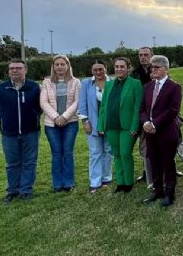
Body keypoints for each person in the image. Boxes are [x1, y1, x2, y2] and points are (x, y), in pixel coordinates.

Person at [0, 59, 42, 203]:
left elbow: (42, 106)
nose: (14, 70)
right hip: (9, 133)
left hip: (31, 131)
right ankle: (12, 191)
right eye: (11, 68)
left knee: (29, 162)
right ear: (8, 71)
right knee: (12, 163)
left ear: (25, 70)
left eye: (18, 68)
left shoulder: (36, 87)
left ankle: (26, 190)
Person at [140, 55, 182, 207]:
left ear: (166, 68)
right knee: (154, 161)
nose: (153, 69)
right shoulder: (148, 86)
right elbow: (142, 109)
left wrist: (154, 123)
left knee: (167, 163)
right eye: (152, 67)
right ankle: (157, 191)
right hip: (149, 133)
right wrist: (145, 122)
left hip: (166, 132)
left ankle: (169, 194)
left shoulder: (174, 87)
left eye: (157, 67)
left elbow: (173, 110)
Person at [97, 57, 143, 193]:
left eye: (122, 67)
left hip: (127, 126)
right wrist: (101, 125)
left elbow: (137, 107)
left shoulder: (135, 84)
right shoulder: (109, 84)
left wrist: (135, 126)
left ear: (128, 68)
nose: (119, 69)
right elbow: (104, 106)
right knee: (116, 154)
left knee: (125, 153)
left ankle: (128, 182)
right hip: (111, 125)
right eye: (117, 67)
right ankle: (120, 183)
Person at [40, 55, 81, 192]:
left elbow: (77, 102)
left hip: (71, 122)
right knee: (56, 153)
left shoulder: (76, 82)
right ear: (53, 67)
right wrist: (56, 117)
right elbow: (43, 102)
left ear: (68, 66)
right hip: (51, 124)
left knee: (68, 152)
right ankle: (57, 184)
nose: (59, 67)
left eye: (62, 64)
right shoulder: (46, 82)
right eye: (56, 64)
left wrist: (64, 117)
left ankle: (68, 182)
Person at [78, 60, 113, 193]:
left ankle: (106, 179)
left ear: (106, 69)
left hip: (109, 124)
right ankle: (95, 182)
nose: (98, 72)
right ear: (92, 71)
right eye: (95, 70)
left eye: (101, 69)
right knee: (95, 152)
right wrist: (85, 121)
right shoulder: (86, 83)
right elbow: (82, 104)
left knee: (108, 151)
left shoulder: (113, 82)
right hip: (93, 123)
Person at [132, 47, 153, 184]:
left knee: (165, 142)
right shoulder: (135, 74)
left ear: (152, 55)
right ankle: (146, 172)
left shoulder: (157, 69)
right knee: (144, 145)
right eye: (140, 55)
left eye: (146, 54)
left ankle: (171, 167)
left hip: (157, 112)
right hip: (142, 113)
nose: (143, 57)